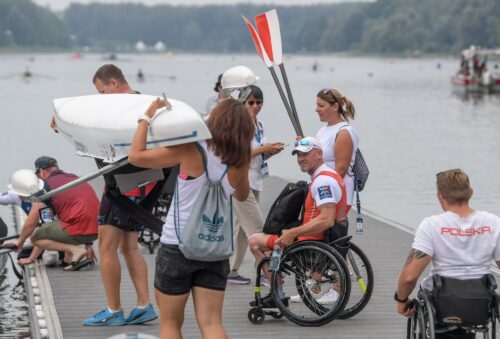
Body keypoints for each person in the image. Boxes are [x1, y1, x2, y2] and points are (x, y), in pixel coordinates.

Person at [128, 98, 254, 339]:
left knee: (171, 324)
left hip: (178, 247)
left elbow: (136, 156)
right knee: (211, 323)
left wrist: (146, 117)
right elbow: (243, 194)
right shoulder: (242, 159)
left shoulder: (192, 149)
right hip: (215, 249)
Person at [83, 64, 158, 326]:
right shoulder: (144, 104)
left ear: (114, 83)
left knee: (106, 247)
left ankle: (114, 310)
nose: (102, 98)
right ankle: (144, 305)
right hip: (143, 185)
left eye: (102, 92)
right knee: (129, 246)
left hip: (121, 186)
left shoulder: (124, 108)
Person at [396, 169, 500, 339]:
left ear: (440, 196)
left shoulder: (431, 225)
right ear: (471, 193)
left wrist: (401, 300)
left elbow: (409, 278)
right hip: (481, 300)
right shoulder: (493, 223)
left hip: (443, 300)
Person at [248, 136, 347, 306]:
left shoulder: (323, 182)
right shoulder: (330, 174)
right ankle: (277, 286)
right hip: (314, 238)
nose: (301, 159)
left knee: (255, 241)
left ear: (319, 154)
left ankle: (276, 293)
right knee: (273, 232)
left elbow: (327, 220)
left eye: (306, 154)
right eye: (298, 155)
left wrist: (292, 232)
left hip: (309, 242)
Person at [227, 85, 285, 285]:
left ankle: (230, 271)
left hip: (255, 180)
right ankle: (266, 271)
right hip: (241, 181)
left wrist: (270, 151)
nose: (255, 106)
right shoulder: (240, 125)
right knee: (258, 229)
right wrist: (263, 149)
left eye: (259, 102)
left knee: (242, 229)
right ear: (242, 103)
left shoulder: (258, 125)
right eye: (251, 102)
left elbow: (257, 155)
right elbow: (238, 155)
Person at [7, 157, 99, 270]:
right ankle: (69, 260)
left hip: (79, 228)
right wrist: (88, 244)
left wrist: (19, 242)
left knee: (35, 235)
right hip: (96, 229)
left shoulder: (44, 187)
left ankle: (76, 251)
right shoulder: (73, 177)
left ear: (42, 171)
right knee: (58, 222)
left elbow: (32, 223)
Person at [315, 88, 359, 213]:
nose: (316, 109)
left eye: (321, 105)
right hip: (323, 193)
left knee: (330, 232)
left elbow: (341, 170)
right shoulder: (323, 130)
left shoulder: (344, 132)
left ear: (335, 106)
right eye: (317, 105)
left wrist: (322, 190)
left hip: (336, 196)